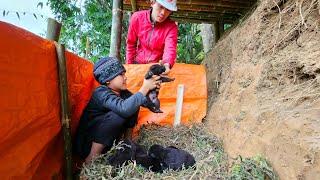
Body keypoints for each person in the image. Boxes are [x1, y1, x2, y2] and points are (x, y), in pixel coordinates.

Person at [75, 57, 161, 164]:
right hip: (87, 144)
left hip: (108, 143)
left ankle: (127, 143)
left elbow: (140, 101)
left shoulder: (123, 93)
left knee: (133, 104)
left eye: (124, 74)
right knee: (121, 112)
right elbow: (124, 109)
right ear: (108, 80)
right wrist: (144, 88)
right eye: (121, 75)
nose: (125, 78)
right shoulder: (101, 92)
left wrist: (152, 92)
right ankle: (91, 159)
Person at [126, 0, 178, 74]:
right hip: (137, 64)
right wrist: (129, 66)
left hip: (156, 68)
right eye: (161, 7)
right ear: (152, 2)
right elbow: (131, 44)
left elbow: (170, 48)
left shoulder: (171, 27)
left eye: (168, 10)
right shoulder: (137, 17)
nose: (163, 13)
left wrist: (167, 65)